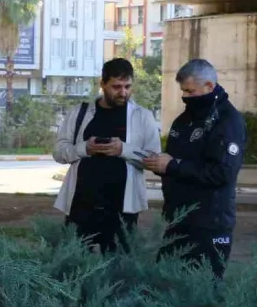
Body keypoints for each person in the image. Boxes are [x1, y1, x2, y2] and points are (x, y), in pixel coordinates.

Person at [144, 59, 246, 278]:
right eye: (183, 92)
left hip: (209, 224)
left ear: (209, 86)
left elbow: (222, 173)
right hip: (178, 219)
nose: (186, 98)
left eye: (190, 91)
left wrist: (174, 166)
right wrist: (161, 165)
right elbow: (177, 162)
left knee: (202, 292)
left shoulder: (228, 121)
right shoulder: (184, 120)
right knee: (164, 284)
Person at [53, 58, 161, 252]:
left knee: (118, 269)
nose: (123, 92)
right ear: (102, 84)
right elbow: (59, 153)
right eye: (116, 86)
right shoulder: (80, 113)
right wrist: (85, 148)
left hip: (122, 208)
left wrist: (124, 150)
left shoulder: (142, 116)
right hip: (81, 205)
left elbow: (155, 160)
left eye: (128, 86)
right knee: (72, 264)